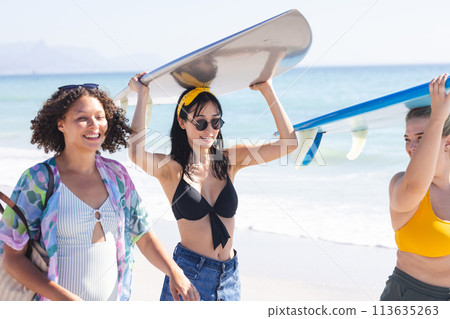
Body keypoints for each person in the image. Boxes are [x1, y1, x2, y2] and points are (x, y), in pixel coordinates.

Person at [0, 83, 199, 301]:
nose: (94, 125)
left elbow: (143, 235)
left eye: (99, 116)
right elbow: (12, 259)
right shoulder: (38, 179)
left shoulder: (117, 175)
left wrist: (174, 271)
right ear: (61, 124)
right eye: (82, 118)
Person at [128, 72, 298, 301]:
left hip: (229, 276)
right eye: (200, 122)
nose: (209, 130)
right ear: (182, 122)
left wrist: (268, 90)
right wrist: (143, 95)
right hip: (189, 276)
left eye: (215, 121)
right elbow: (136, 152)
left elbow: (288, 144)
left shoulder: (228, 161)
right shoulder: (171, 168)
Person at [380, 74, 450, 301]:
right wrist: (438, 117)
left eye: (421, 137)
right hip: (410, 299)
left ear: (447, 142)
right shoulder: (401, 185)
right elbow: (415, 184)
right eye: (406, 139)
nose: (411, 146)